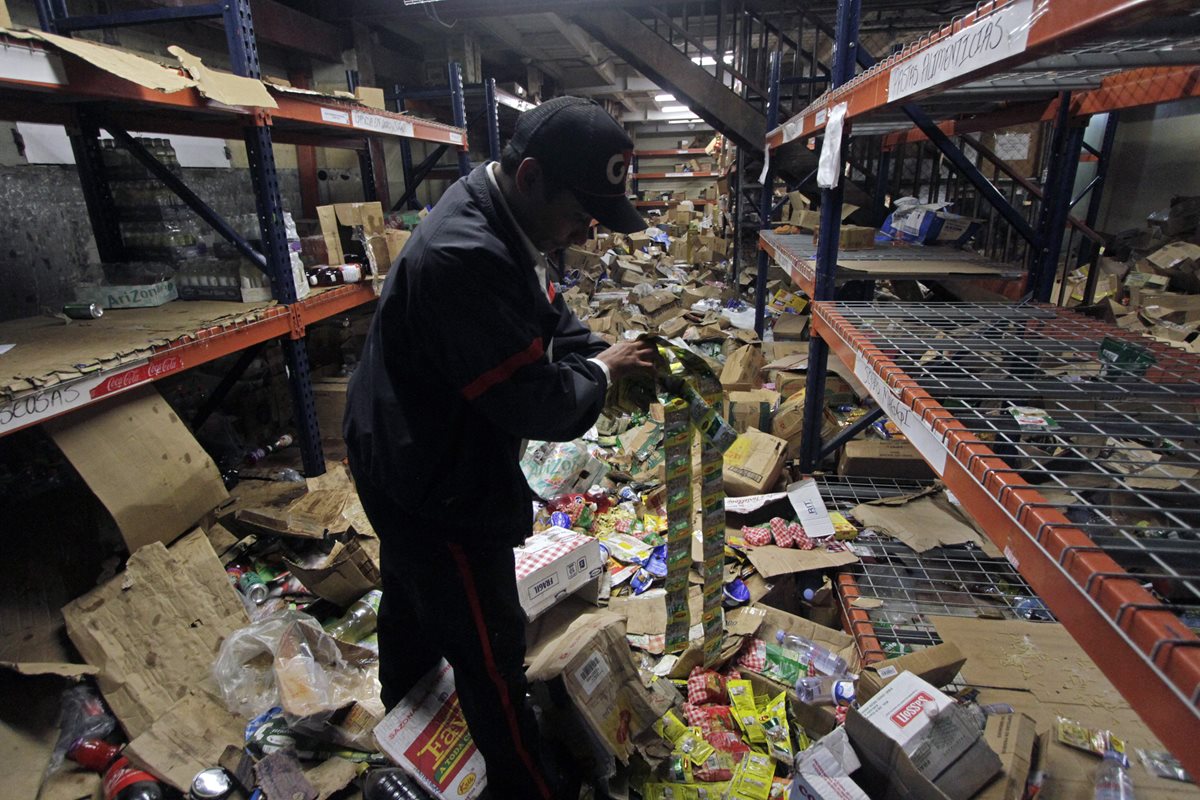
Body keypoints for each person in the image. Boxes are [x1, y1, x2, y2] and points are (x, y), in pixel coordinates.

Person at [344, 97, 657, 799]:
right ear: (532, 179)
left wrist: (593, 352)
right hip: (435, 480)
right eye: (583, 212)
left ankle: (410, 736)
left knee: (412, 603)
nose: (585, 231)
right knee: (491, 657)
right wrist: (603, 371)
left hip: (406, 447)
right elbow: (539, 403)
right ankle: (524, 787)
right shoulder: (466, 254)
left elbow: (545, 315)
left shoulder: (503, 215)